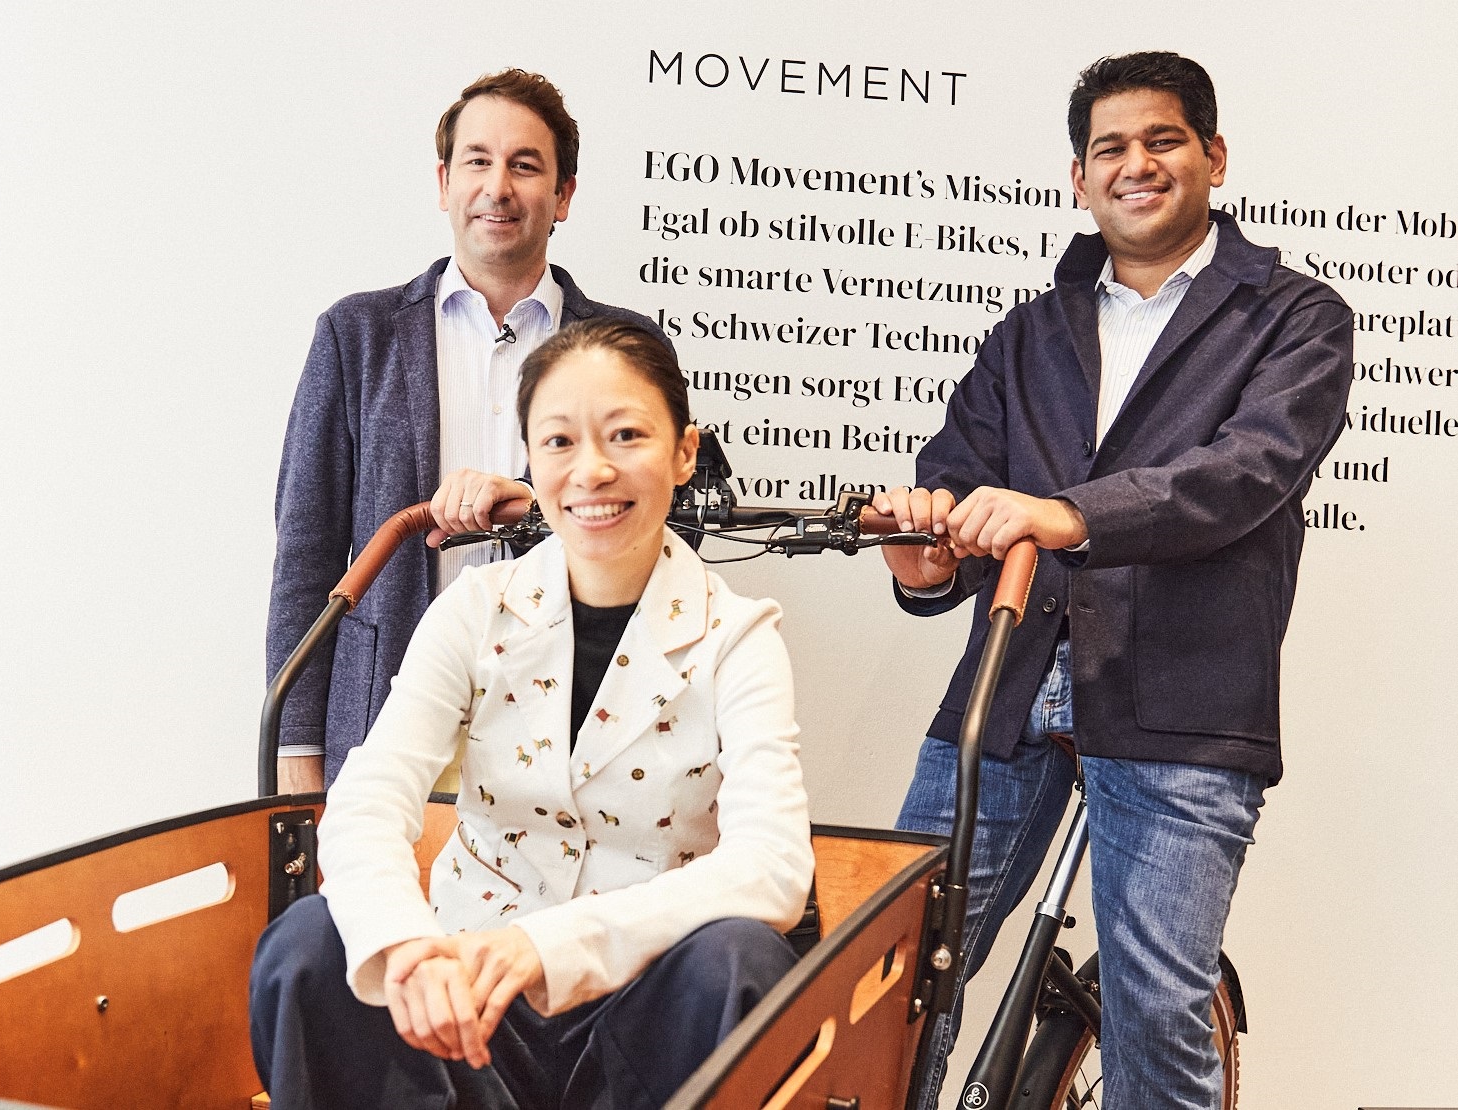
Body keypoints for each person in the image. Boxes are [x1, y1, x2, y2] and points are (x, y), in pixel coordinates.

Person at [872, 52, 1352, 1109]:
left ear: (1214, 157)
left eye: (1162, 139)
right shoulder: (1030, 331)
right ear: (1078, 180)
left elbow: (1243, 477)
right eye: (1110, 149)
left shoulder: (1294, 318)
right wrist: (924, 557)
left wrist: (1070, 514)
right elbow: (955, 479)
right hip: (1006, 691)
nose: (1136, 165)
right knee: (892, 979)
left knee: (1154, 1014)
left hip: (1183, 704)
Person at [249, 318, 814, 1109]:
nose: (591, 471)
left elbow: (773, 867)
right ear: (530, 459)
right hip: (467, 1009)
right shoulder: (475, 608)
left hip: (639, 1013)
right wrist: (411, 953)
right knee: (308, 943)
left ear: (686, 452)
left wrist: (543, 947)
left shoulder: (739, 635)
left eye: (626, 435)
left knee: (742, 960)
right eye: (557, 443)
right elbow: (369, 799)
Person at [266, 69, 669, 793]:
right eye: (478, 161)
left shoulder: (626, 346)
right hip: (389, 715)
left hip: (579, 716)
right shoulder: (355, 335)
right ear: (445, 182)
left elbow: (686, 522)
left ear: (564, 195)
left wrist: (528, 497)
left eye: (525, 165)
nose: (498, 187)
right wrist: (297, 746)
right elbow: (307, 549)